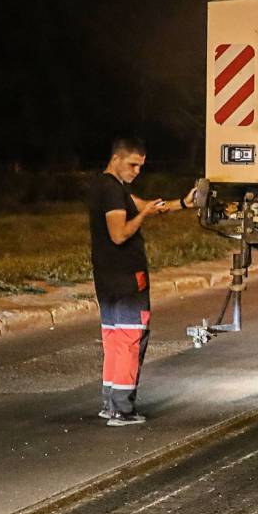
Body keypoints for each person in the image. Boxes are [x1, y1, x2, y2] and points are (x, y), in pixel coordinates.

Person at [87, 137, 196, 426]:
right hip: (125, 277)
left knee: (114, 338)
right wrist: (145, 214)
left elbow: (148, 205)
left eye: (141, 166)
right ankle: (122, 410)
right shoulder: (112, 192)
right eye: (133, 164)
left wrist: (184, 203)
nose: (137, 171)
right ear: (117, 158)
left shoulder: (109, 187)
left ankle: (110, 403)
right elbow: (119, 234)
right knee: (130, 338)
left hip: (107, 278)